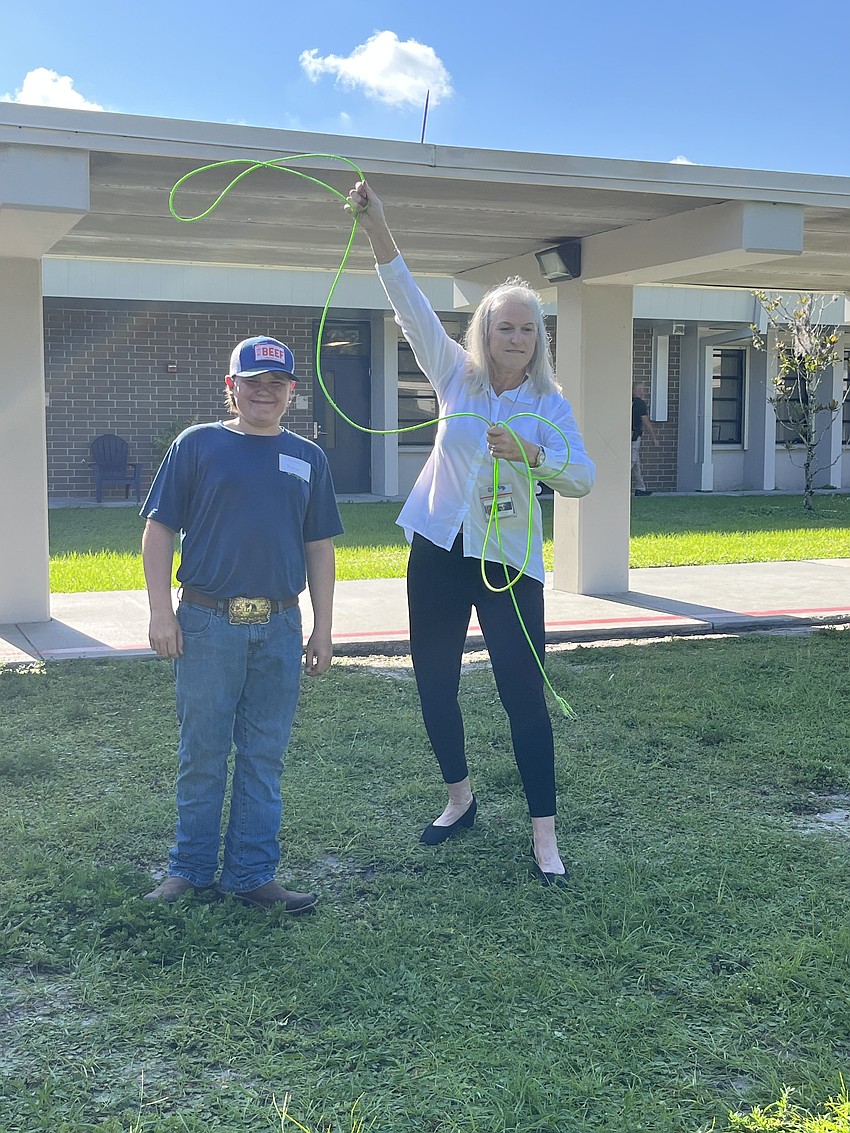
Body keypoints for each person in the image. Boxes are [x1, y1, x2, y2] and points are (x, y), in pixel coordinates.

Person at [345, 180, 595, 886]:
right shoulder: (456, 375)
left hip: (510, 564)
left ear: (538, 339)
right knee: (434, 684)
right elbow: (408, 301)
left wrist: (536, 457)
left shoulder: (550, 404)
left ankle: (544, 835)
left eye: (525, 328)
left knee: (523, 691)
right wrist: (379, 224)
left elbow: (586, 476)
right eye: (502, 326)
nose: (513, 337)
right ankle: (461, 798)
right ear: (483, 331)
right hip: (437, 549)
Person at [140, 335, 343, 912]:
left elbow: (320, 546)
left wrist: (322, 627)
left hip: (279, 626)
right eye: (252, 381)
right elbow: (159, 531)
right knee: (202, 750)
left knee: (263, 752)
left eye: (276, 383)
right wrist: (160, 612)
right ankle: (191, 869)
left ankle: (253, 874)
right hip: (207, 623)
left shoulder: (309, 457)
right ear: (231, 388)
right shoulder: (197, 446)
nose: (264, 392)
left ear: (292, 393)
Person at [631, 382, 658, 497]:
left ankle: (640, 488)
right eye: (641, 389)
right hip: (634, 436)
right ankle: (617, 483)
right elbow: (646, 423)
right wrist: (654, 438)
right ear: (635, 391)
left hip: (625, 434)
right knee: (631, 461)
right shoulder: (640, 404)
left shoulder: (627, 401)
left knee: (636, 463)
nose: (643, 392)